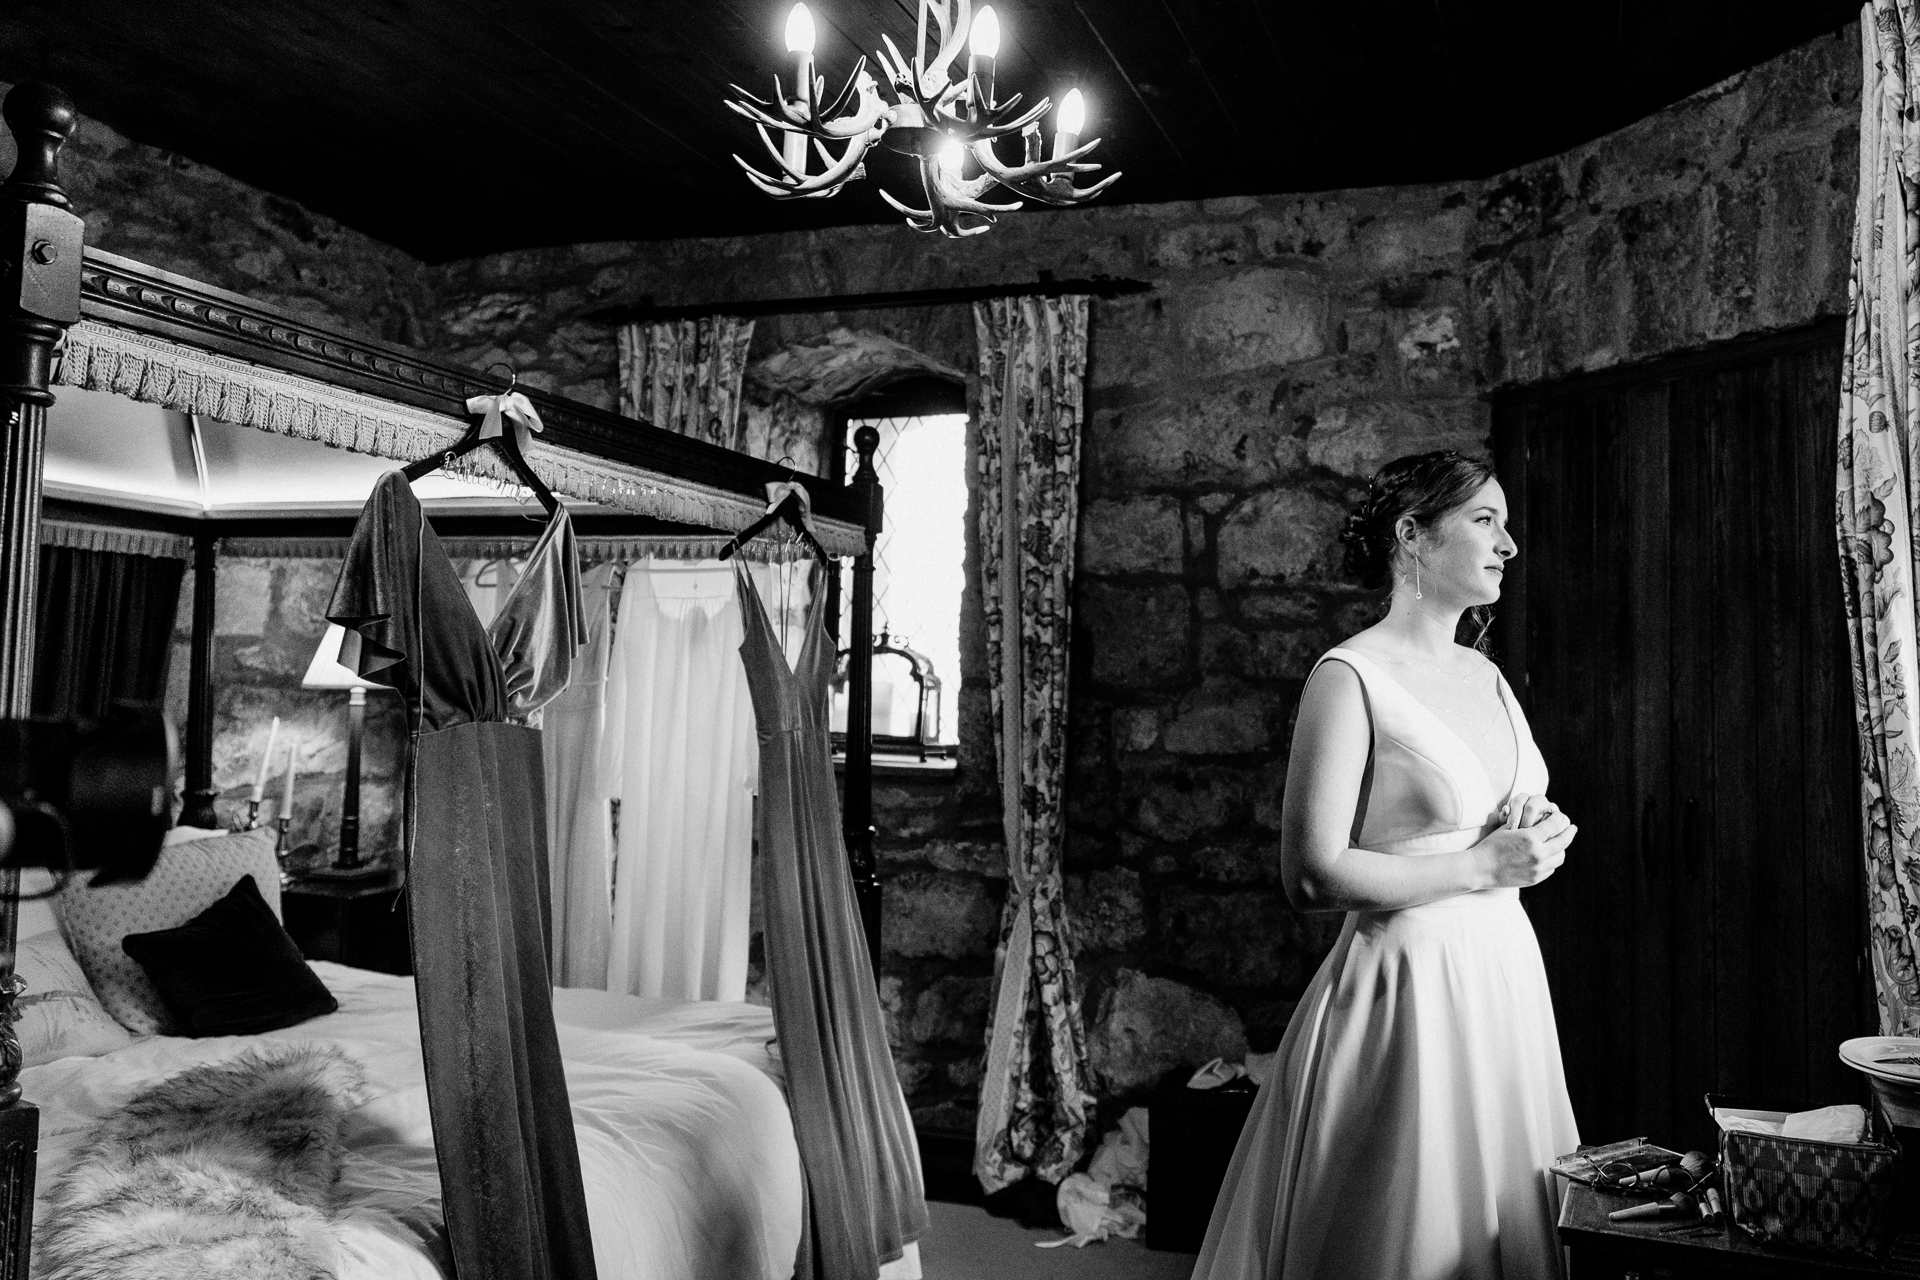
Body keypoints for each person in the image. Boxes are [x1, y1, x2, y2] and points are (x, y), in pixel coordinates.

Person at [1192, 450, 1581, 1280]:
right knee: (1400, 1229)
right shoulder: (1350, 676)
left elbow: (1494, 819)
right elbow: (1312, 874)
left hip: (1503, 977)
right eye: (1485, 521)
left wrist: (1537, 835)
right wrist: (1482, 866)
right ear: (1412, 536)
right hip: (1406, 987)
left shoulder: (1486, 675)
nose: (1509, 544)